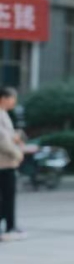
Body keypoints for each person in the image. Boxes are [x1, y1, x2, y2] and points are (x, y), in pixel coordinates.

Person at [0, 88, 23, 241]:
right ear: (4, 98)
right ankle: (10, 227)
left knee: (6, 197)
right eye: (12, 98)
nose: (14, 102)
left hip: (6, 162)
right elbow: (2, 140)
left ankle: (10, 226)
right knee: (7, 197)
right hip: (4, 163)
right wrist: (17, 153)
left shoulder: (4, 114)